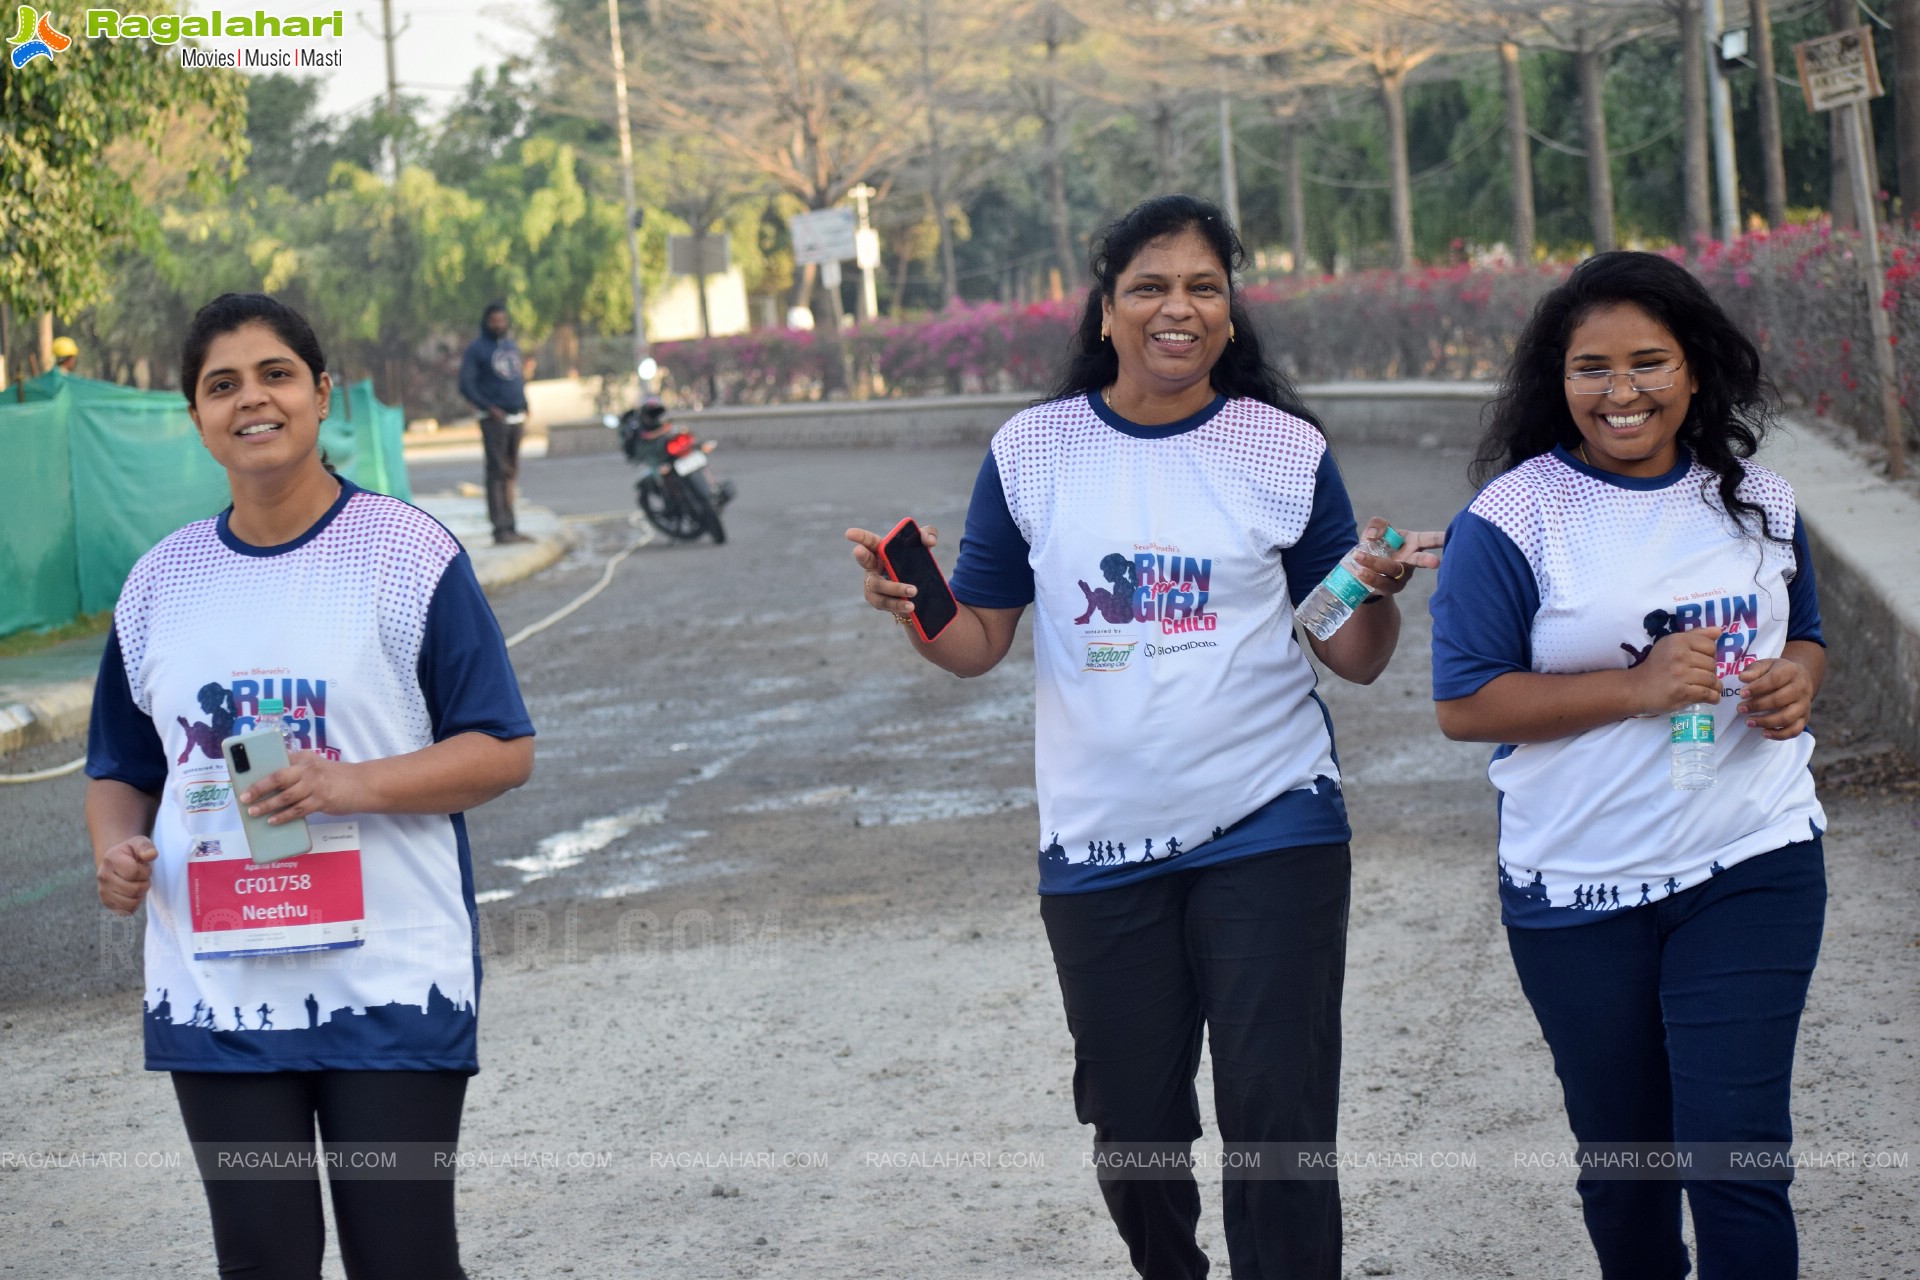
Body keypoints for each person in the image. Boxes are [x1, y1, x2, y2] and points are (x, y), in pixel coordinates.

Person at [846, 194, 1442, 1279]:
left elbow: (1346, 651)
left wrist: (1376, 586)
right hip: (1099, 840)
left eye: (1204, 286)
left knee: (1279, 1117)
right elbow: (977, 640)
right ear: (1106, 310)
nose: (1180, 307)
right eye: (1151, 287)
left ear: (1231, 308)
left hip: (1273, 822)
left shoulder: (1281, 447)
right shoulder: (1035, 450)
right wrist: (914, 600)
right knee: (1133, 1127)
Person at [86, 292, 536, 1280]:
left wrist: (350, 784)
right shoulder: (159, 585)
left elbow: (501, 746)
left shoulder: (407, 554)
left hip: (389, 981)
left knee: (404, 1260)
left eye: (276, 373)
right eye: (221, 384)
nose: (252, 398)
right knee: (261, 1259)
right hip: (220, 993)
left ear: (322, 393)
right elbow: (122, 765)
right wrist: (115, 846)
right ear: (195, 417)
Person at [1428, 250, 1827, 1280]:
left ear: (1694, 368)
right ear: (1556, 383)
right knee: (1630, 1168)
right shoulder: (1512, 519)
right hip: (1578, 886)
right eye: (1591, 368)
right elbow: (1465, 702)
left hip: (1752, 854)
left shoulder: (1761, 501)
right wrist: (1639, 688)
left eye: (1648, 362)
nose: (1621, 392)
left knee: (1735, 1157)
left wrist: (1795, 679)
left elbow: (1807, 634)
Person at [457, 302, 533, 545]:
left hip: (516, 418)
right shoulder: (477, 350)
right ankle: (500, 529)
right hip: (493, 421)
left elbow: (516, 378)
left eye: (502, 320)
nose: (499, 324)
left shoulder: (510, 346)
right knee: (497, 473)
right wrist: (488, 407)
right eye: (494, 320)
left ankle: (511, 526)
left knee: (511, 473)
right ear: (486, 321)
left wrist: (524, 403)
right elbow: (466, 385)